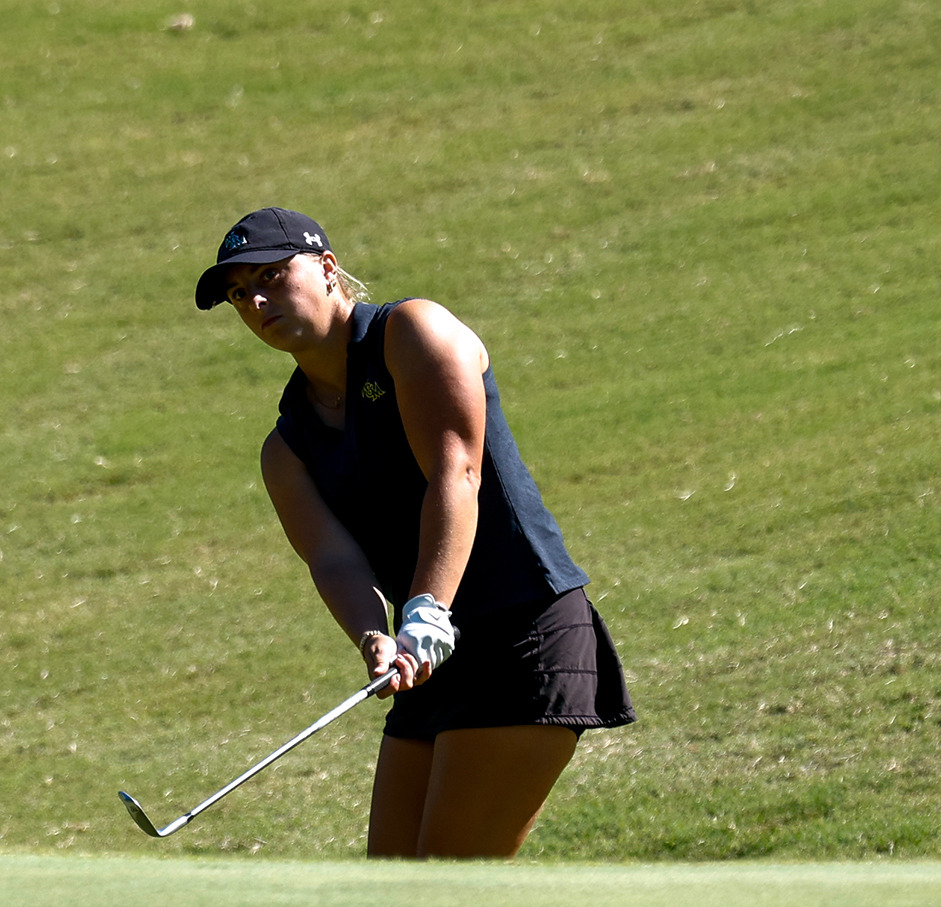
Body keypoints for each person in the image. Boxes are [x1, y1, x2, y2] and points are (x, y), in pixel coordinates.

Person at [195, 207, 635, 859]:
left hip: (521, 635)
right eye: (239, 293)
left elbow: (456, 473)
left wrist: (427, 610)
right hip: (430, 659)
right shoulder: (285, 448)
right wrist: (375, 635)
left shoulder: (413, 332)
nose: (257, 301)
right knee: (393, 896)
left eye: (271, 275)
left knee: (439, 892)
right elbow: (333, 559)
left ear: (326, 267)